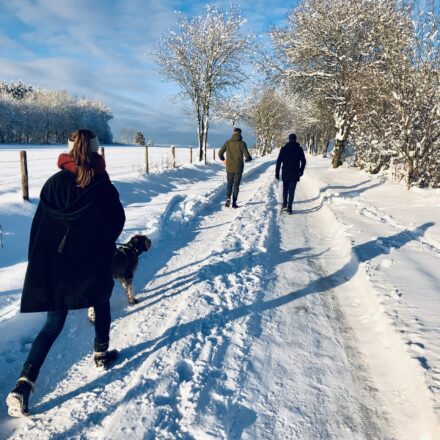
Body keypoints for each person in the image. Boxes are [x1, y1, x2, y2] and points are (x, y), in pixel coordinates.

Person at [6, 129, 125, 417]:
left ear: (68, 151)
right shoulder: (103, 186)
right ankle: (100, 354)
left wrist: (41, 263)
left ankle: (24, 384)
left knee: (52, 325)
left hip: (58, 267)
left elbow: (40, 230)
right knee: (101, 300)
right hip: (92, 263)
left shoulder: (53, 184)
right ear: (97, 151)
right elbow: (116, 223)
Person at [218, 127, 252, 208]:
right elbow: (247, 156)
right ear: (240, 134)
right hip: (238, 168)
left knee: (229, 184)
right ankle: (234, 203)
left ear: (233, 133)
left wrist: (223, 160)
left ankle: (228, 198)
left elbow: (220, 153)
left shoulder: (227, 143)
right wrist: (248, 159)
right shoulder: (242, 143)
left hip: (229, 167)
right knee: (236, 185)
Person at [275, 133, 306, 214]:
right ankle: (289, 208)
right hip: (295, 172)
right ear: (295, 139)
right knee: (292, 190)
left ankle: (285, 204)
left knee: (285, 189)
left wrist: (277, 173)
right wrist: (301, 170)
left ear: (289, 139)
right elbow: (304, 161)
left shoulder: (284, 149)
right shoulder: (299, 149)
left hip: (285, 172)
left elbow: (278, 162)